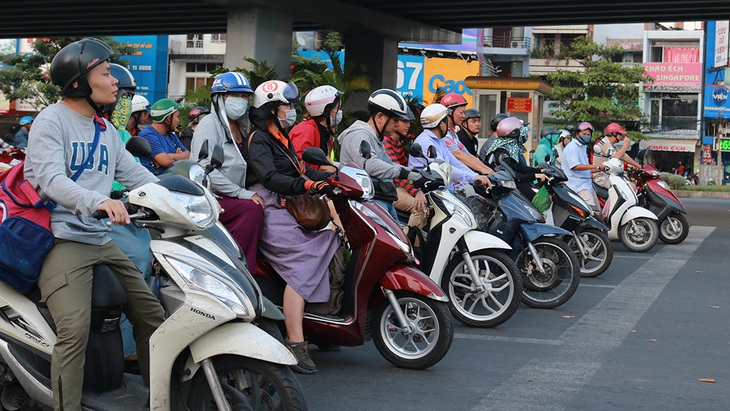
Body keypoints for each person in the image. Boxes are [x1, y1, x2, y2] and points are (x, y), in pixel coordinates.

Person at [23, 37, 165, 411]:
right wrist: (97, 201)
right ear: (80, 82)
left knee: (152, 314)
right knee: (73, 331)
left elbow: (136, 176)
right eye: (105, 73)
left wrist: (185, 194)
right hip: (63, 240)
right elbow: (52, 180)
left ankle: (157, 399)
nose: (115, 80)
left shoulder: (105, 131)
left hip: (102, 240)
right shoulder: (51, 120)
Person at [243, 79, 340, 374]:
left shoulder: (280, 137)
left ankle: (314, 324)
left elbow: (298, 166)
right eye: (286, 105)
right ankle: (295, 342)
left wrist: (333, 175)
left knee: (330, 239)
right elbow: (270, 177)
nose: (291, 110)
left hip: (288, 204)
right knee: (303, 260)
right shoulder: (259, 139)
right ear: (271, 109)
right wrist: (307, 183)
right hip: (271, 206)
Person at [190, 71, 264, 275]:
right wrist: (242, 194)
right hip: (212, 197)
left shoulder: (243, 126)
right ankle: (238, 269)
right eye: (236, 96)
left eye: (245, 96)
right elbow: (204, 169)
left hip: (235, 193)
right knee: (251, 209)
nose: (242, 101)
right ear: (220, 98)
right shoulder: (209, 124)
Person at [338, 89, 425, 221]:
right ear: (379, 117)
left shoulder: (376, 138)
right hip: (367, 202)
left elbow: (387, 163)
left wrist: (413, 171)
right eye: (395, 119)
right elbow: (370, 164)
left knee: (400, 240)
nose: (397, 124)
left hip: (381, 199)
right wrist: (405, 173)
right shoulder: (359, 135)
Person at [409, 103, 491, 187]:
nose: (448, 125)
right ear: (441, 124)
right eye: (446, 121)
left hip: (443, 188)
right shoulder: (426, 142)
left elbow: (454, 162)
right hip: (425, 191)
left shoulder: (439, 141)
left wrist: (476, 176)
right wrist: (473, 178)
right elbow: (443, 168)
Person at [383, 106, 428, 233]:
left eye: (409, 122)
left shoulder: (397, 143)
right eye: (405, 121)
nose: (408, 125)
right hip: (389, 187)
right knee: (420, 207)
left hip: (397, 186)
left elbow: (406, 167)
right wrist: (416, 192)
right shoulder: (386, 143)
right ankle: (408, 245)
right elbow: (398, 174)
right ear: (395, 122)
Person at [484, 117, 548, 199]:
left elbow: (518, 167)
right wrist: (535, 175)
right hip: (502, 193)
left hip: (508, 188)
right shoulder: (501, 153)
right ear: (514, 134)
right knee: (535, 199)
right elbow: (514, 176)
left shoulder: (505, 150)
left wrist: (540, 171)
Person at [290, 85, 343, 170]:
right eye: (338, 108)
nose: (339, 112)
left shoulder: (325, 131)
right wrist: (322, 169)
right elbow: (299, 164)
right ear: (327, 109)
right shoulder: (306, 130)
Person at [439, 93, 493, 175]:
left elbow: (467, 154)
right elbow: (458, 154)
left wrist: (489, 170)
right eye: (461, 113)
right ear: (449, 113)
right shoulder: (443, 135)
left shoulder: (453, 134)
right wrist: (481, 170)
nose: (464, 116)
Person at [138, 98, 189, 175]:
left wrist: (169, 156)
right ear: (168, 118)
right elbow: (165, 162)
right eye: (177, 116)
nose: (178, 120)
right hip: (154, 183)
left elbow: (188, 155)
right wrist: (178, 157)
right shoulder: (148, 135)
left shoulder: (171, 135)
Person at [562, 121, 605, 212]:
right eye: (584, 133)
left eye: (588, 134)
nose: (587, 136)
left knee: (599, 211)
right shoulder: (573, 147)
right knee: (592, 213)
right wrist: (594, 166)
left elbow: (584, 169)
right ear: (577, 134)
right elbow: (575, 166)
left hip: (587, 185)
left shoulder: (582, 147)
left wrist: (599, 168)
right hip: (578, 186)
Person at [592, 122, 641, 189]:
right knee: (631, 187)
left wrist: (638, 166)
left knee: (628, 181)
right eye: (620, 134)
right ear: (614, 134)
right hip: (601, 177)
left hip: (609, 175)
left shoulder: (612, 145)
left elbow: (623, 156)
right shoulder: (604, 143)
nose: (621, 137)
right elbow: (615, 156)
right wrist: (626, 144)